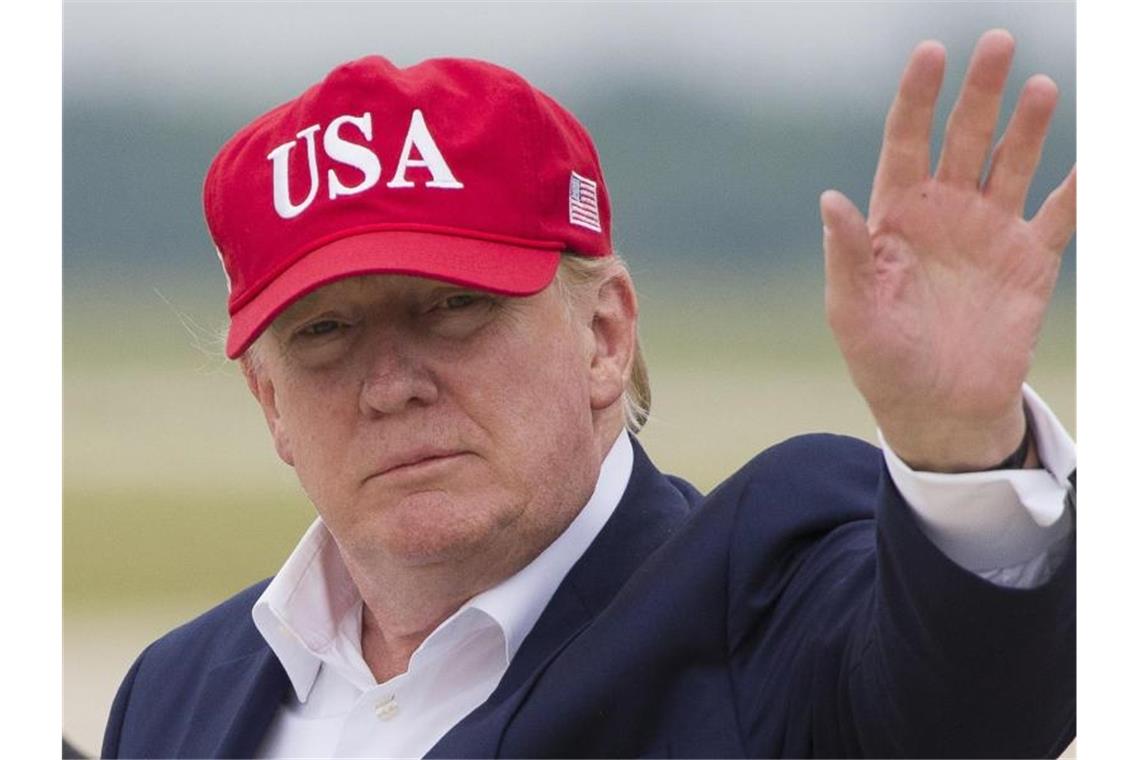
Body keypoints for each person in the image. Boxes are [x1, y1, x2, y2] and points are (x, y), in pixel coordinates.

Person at [101, 28, 1076, 758]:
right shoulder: (179, 691)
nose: (391, 385)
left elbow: (964, 704)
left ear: (604, 335)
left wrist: (961, 451)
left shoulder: (764, 606)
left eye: (452, 307)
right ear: (269, 401)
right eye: (324, 333)